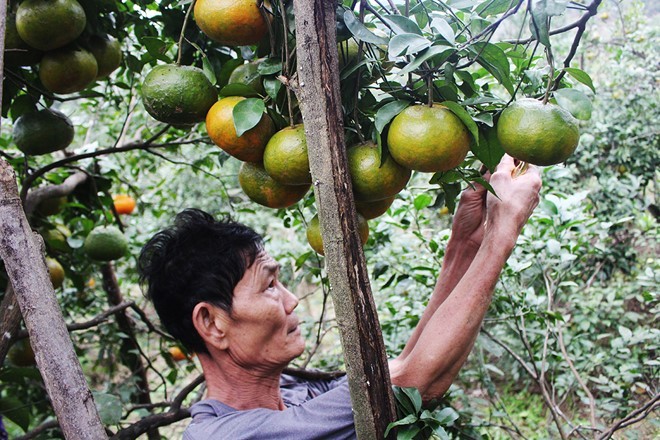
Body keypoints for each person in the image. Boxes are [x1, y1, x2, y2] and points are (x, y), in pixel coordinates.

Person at [138, 154, 541, 439]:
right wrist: (502, 233)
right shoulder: (227, 438)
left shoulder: (293, 395)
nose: (292, 300)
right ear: (211, 323)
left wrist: (466, 243)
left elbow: (403, 372)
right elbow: (420, 381)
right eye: (268, 286)